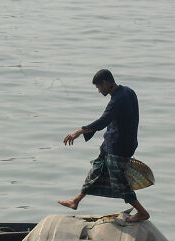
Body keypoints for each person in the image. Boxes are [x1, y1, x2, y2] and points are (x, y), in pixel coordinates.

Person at [59, 69, 149, 223]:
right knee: (97, 170)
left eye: (99, 87)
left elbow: (103, 121)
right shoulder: (128, 91)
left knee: (120, 183)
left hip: (119, 147)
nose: (99, 91)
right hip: (112, 143)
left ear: (106, 83)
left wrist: (79, 131)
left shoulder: (118, 99)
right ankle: (76, 201)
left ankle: (142, 212)